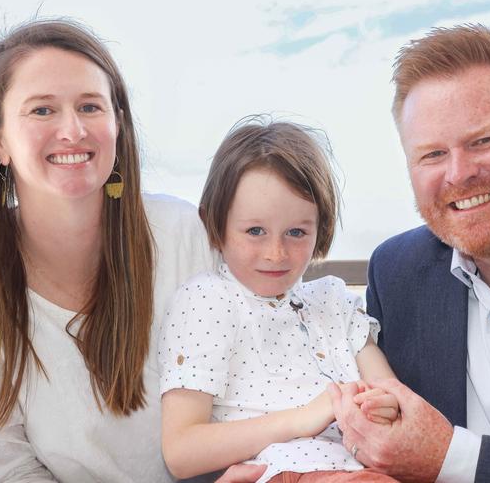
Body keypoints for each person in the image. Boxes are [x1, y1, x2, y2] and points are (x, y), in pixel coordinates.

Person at [0, 18, 239, 482]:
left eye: (90, 106)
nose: (73, 130)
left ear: (117, 124)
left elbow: (264, 373)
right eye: (42, 110)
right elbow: (7, 470)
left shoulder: (186, 235)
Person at [328, 24, 490, 482]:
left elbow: (435, 455)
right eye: (431, 154)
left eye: (483, 141)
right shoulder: (396, 273)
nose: (459, 174)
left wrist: (452, 457)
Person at [157, 119, 400, 483]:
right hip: (279, 470)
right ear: (215, 226)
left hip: (364, 468)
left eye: (296, 232)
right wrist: (303, 417)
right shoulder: (207, 300)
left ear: (321, 228)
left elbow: (393, 397)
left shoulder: (335, 301)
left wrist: (383, 405)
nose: (276, 254)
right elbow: (181, 451)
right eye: (255, 231)